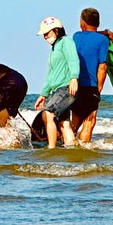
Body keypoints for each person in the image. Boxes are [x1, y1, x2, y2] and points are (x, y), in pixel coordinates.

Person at [70, 7, 113, 144]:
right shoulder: (103, 41)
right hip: (91, 85)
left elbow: (89, 35)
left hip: (76, 85)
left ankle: (67, 144)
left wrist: (105, 32)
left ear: (83, 24)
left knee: (76, 120)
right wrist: (99, 87)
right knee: (89, 121)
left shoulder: (76, 36)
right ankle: (83, 150)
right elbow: (102, 66)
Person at [32, 16, 79, 148]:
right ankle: (72, 149)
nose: (45, 37)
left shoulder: (66, 42)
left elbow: (73, 60)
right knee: (64, 123)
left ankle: (51, 148)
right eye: (44, 35)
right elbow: (51, 74)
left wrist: (74, 77)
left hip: (66, 88)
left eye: (47, 33)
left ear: (56, 31)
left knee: (48, 114)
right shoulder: (54, 48)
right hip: (57, 90)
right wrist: (43, 94)